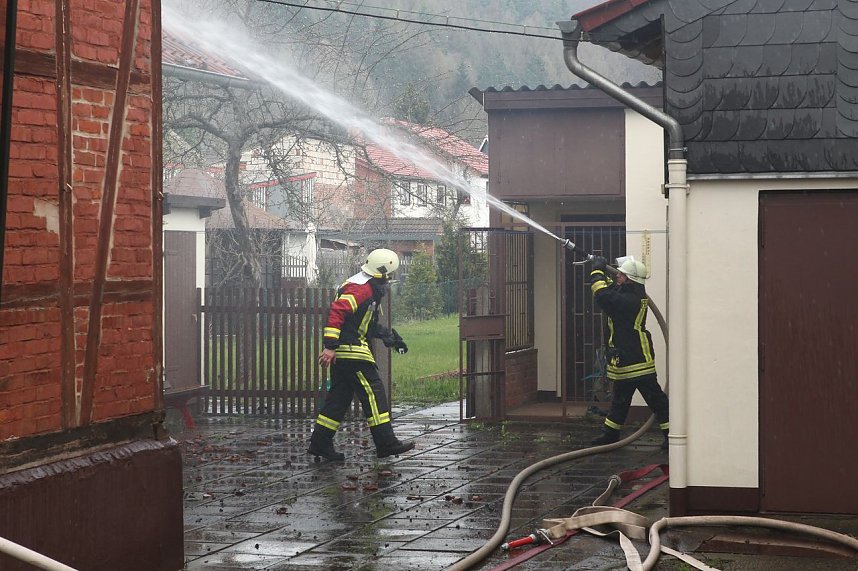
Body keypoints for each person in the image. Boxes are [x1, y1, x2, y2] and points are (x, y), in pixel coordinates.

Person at [308, 248, 414, 461]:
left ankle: (320, 444)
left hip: (347, 353)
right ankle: (386, 443)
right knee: (374, 395)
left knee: (338, 400)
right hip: (352, 353)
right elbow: (338, 311)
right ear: (381, 274)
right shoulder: (362, 289)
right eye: (389, 275)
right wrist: (330, 346)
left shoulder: (365, 288)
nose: (390, 280)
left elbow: (365, 324)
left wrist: (390, 338)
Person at [589, 255, 669, 449]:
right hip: (626, 357)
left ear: (630, 278)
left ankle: (671, 434)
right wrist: (604, 272)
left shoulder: (630, 299)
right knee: (620, 399)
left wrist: (597, 272)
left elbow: (602, 296)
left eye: (621, 274)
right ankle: (611, 433)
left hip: (637, 358)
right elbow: (611, 290)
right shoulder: (630, 292)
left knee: (655, 399)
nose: (618, 276)